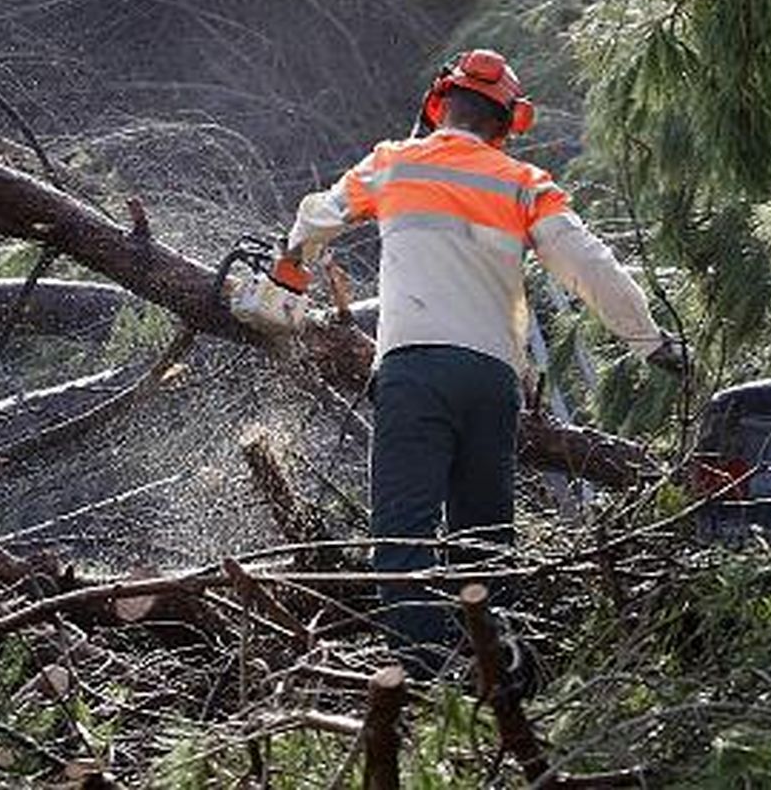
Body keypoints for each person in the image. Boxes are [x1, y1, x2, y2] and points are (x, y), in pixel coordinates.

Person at [285, 48, 683, 663]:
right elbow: (591, 266)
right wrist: (649, 341)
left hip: (413, 374)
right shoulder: (523, 184)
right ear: (505, 125)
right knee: (486, 544)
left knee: (403, 537)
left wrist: (291, 274)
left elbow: (318, 216)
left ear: (439, 105)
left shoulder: (392, 163)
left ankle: (425, 679)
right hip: (492, 381)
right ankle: (499, 671)